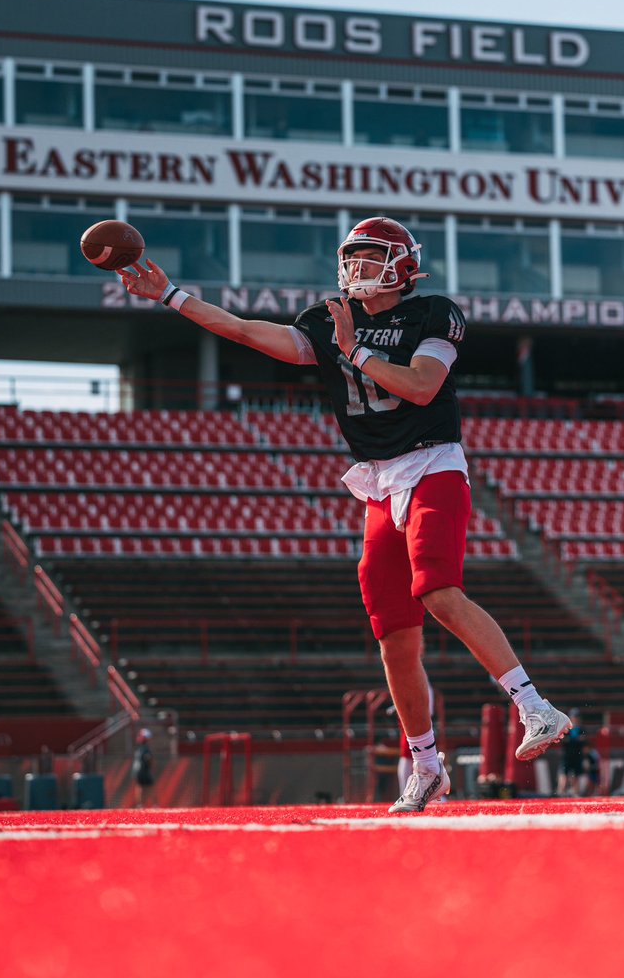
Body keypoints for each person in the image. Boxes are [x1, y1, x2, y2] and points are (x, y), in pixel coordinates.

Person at [119, 215, 571, 814]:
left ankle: (535, 706)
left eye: (368, 256)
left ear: (402, 265)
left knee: (436, 588)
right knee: (392, 633)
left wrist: (353, 349)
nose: (355, 268)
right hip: (379, 481)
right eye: (351, 256)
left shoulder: (432, 314)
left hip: (432, 461)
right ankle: (427, 766)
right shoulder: (328, 318)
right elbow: (249, 331)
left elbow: (421, 387)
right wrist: (172, 297)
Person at [556, 709, 586, 796]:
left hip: (577, 755)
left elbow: (584, 741)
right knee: (563, 774)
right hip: (567, 755)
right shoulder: (566, 728)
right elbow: (562, 740)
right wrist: (575, 740)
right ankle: (561, 792)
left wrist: (571, 741)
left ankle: (576, 792)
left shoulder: (581, 729)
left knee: (576, 775)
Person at [132, 728, 155, 808]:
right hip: (143, 769)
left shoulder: (138, 747)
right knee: (150, 786)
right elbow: (149, 759)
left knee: (139, 786)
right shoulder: (145, 748)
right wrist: (151, 767)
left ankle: (139, 804)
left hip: (137, 770)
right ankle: (153, 804)